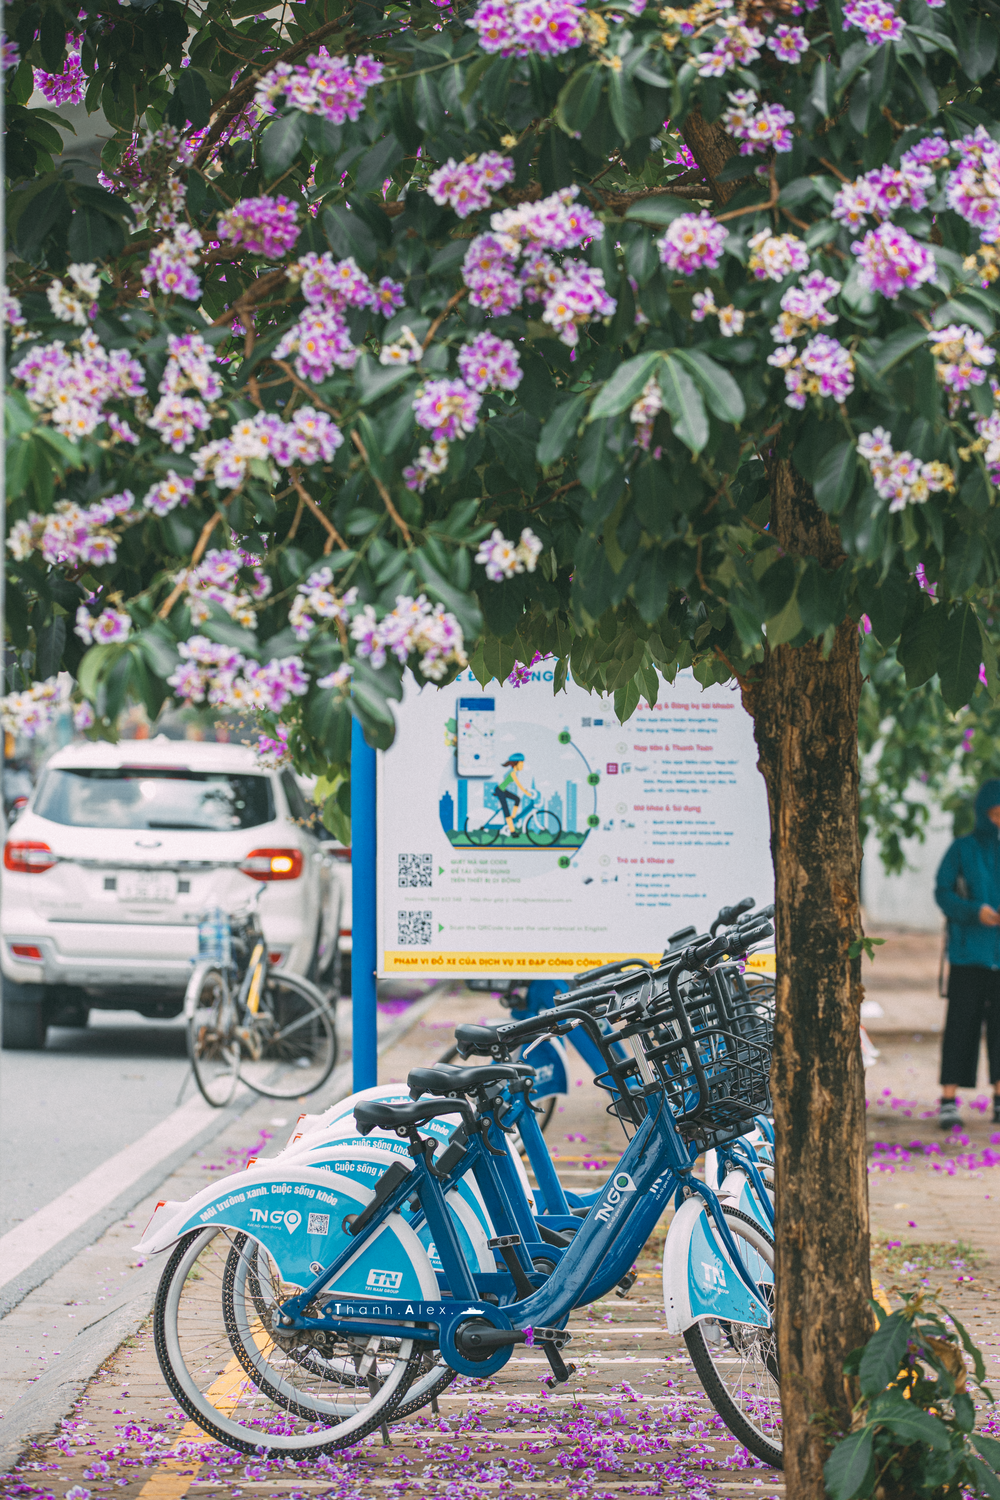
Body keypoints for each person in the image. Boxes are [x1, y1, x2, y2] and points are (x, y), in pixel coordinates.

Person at [934, 778, 1000, 1129]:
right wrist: (975, 912)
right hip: (967, 954)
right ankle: (948, 1100)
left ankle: (999, 1099)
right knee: (960, 1026)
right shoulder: (963, 849)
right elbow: (943, 892)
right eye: (995, 813)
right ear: (982, 812)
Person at [495, 753, 528, 837]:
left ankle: (513, 816)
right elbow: (519, 784)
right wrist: (527, 793)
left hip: (502, 790)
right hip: (500, 791)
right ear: (516, 764)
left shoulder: (514, 772)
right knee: (506, 812)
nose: (522, 766)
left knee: (517, 799)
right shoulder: (513, 773)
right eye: (521, 763)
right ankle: (512, 832)